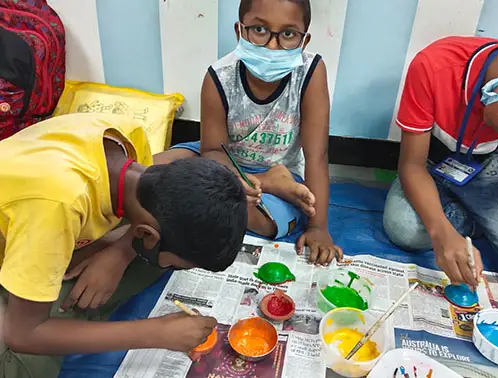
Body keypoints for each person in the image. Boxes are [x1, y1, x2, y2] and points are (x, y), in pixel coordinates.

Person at [0, 113, 248, 378]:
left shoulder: (127, 140)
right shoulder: (59, 204)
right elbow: (23, 334)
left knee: (161, 253)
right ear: (145, 232)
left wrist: (119, 252)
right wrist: (155, 333)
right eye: (177, 265)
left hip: (33, 222)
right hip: (32, 229)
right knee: (22, 363)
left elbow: (153, 213)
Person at [156, 0, 343, 266]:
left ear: (304, 40)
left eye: (288, 34)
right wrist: (255, 180)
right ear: (240, 31)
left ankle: (270, 184)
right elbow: (212, 151)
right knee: (151, 169)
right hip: (224, 162)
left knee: (252, 218)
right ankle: (268, 181)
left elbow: (317, 155)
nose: (272, 45)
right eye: (259, 30)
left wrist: (318, 228)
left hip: (284, 174)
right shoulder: (219, 76)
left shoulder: (310, 73)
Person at [384, 37, 498, 290]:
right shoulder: (433, 66)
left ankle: (479, 218)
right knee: (404, 229)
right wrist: (441, 233)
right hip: (435, 160)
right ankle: (483, 219)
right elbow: (412, 166)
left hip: (497, 163)